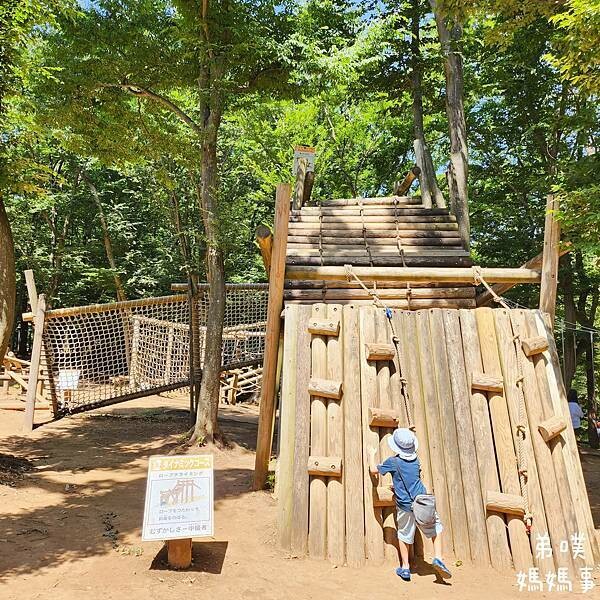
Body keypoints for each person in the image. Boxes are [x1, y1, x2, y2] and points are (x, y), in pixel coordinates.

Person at [369, 428, 451, 582]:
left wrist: (371, 455)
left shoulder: (393, 462)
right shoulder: (416, 460)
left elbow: (374, 470)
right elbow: (411, 478)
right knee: (436, 528)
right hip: (422, 501)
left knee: (404, 535)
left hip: (405, 506)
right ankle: (438, 557)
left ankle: (405, 568)